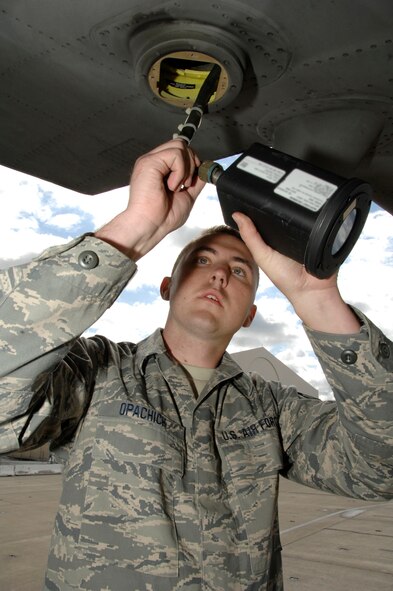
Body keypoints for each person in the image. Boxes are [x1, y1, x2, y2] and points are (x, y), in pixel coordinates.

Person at [0, 139, 392, 591]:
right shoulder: (99, 373)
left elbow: (379, 470)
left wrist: (317, 298)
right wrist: (138, 226)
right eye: (202, 260)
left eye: (241, 270)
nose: (220, 273)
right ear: (167, 286)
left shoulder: (271, 410)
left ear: (249, 315)